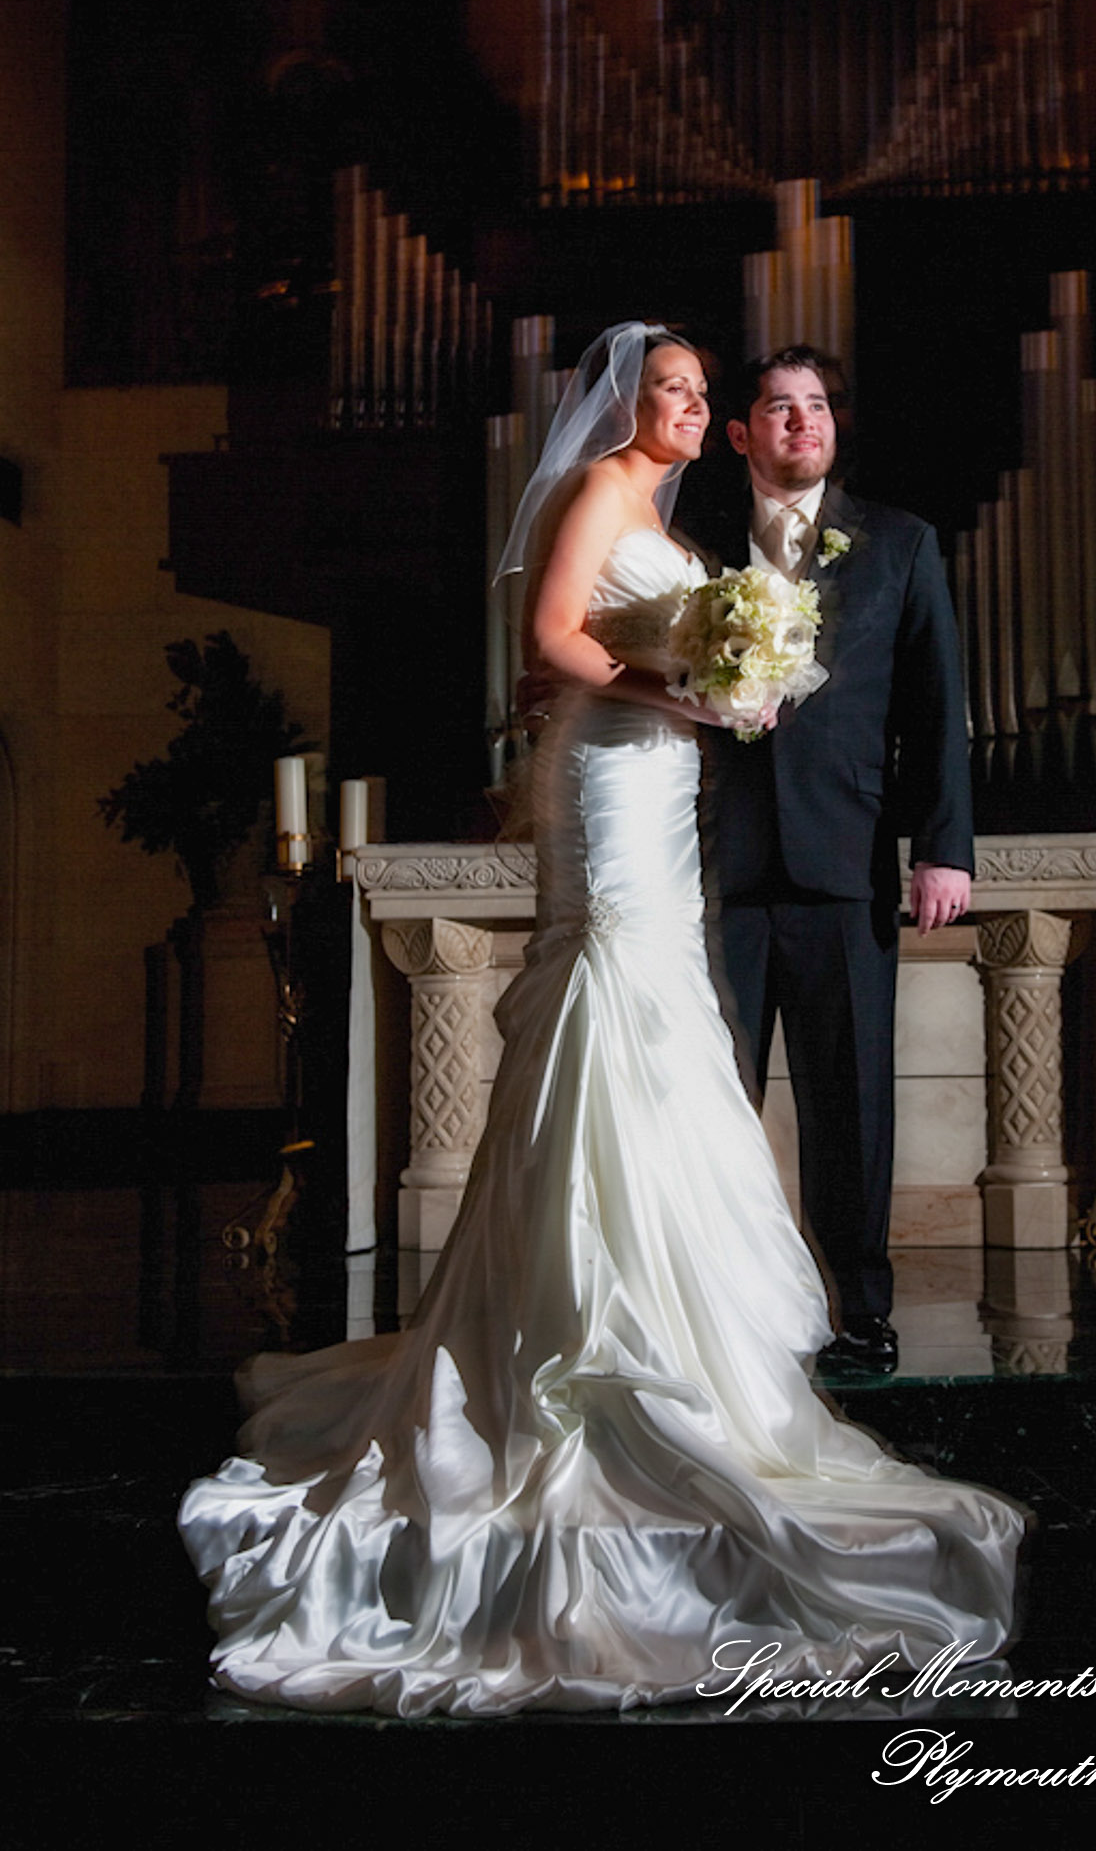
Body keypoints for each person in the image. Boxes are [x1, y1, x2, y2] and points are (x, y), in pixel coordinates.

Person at [178, 322, 1023, 1718]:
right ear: (636, 400)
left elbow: (607, 647)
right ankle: (585, 1320)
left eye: (706, 391)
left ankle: (670, 1318)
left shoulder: (704, 515)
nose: (692, 408)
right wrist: (673, 689)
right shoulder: (607, 495)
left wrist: (651, 686)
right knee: (614, 1003)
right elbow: (557, 632)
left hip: (677, 802)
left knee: (665, 1034)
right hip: (628, 797)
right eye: (678, 389)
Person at [679, 347, 973, 1375]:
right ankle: (710, 1309)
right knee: (708, 1102)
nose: (803, 424)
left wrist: (943, 850)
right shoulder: (689, 545)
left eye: (817, 408)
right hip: (712, 867)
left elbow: (937, 708)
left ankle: (862, 1315)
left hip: (846, 862)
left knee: (852, 1103)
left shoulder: (898, 542)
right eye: (779, 408)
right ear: (740, 433)